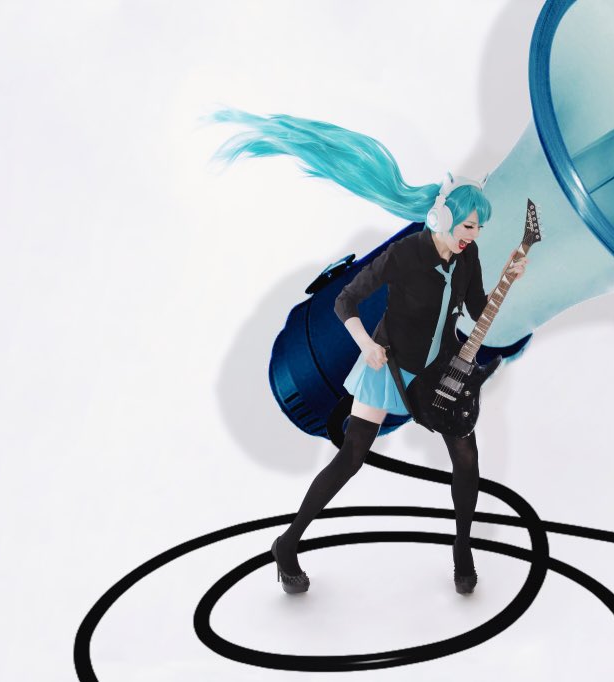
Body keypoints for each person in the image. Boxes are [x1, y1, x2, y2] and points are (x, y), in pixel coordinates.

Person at [209, 111, 527, 595]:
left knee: (466, 458)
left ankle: (462, 549)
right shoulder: (406, 255)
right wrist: (366, 345)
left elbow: (478, 309)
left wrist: (510, 280)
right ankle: (288, 544)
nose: (473, 235)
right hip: (389, 364)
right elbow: (345, 301)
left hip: (437, 369)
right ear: (443, 219)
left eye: (479, 228)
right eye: (468, 225)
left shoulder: (469, 257)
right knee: (352, 455)